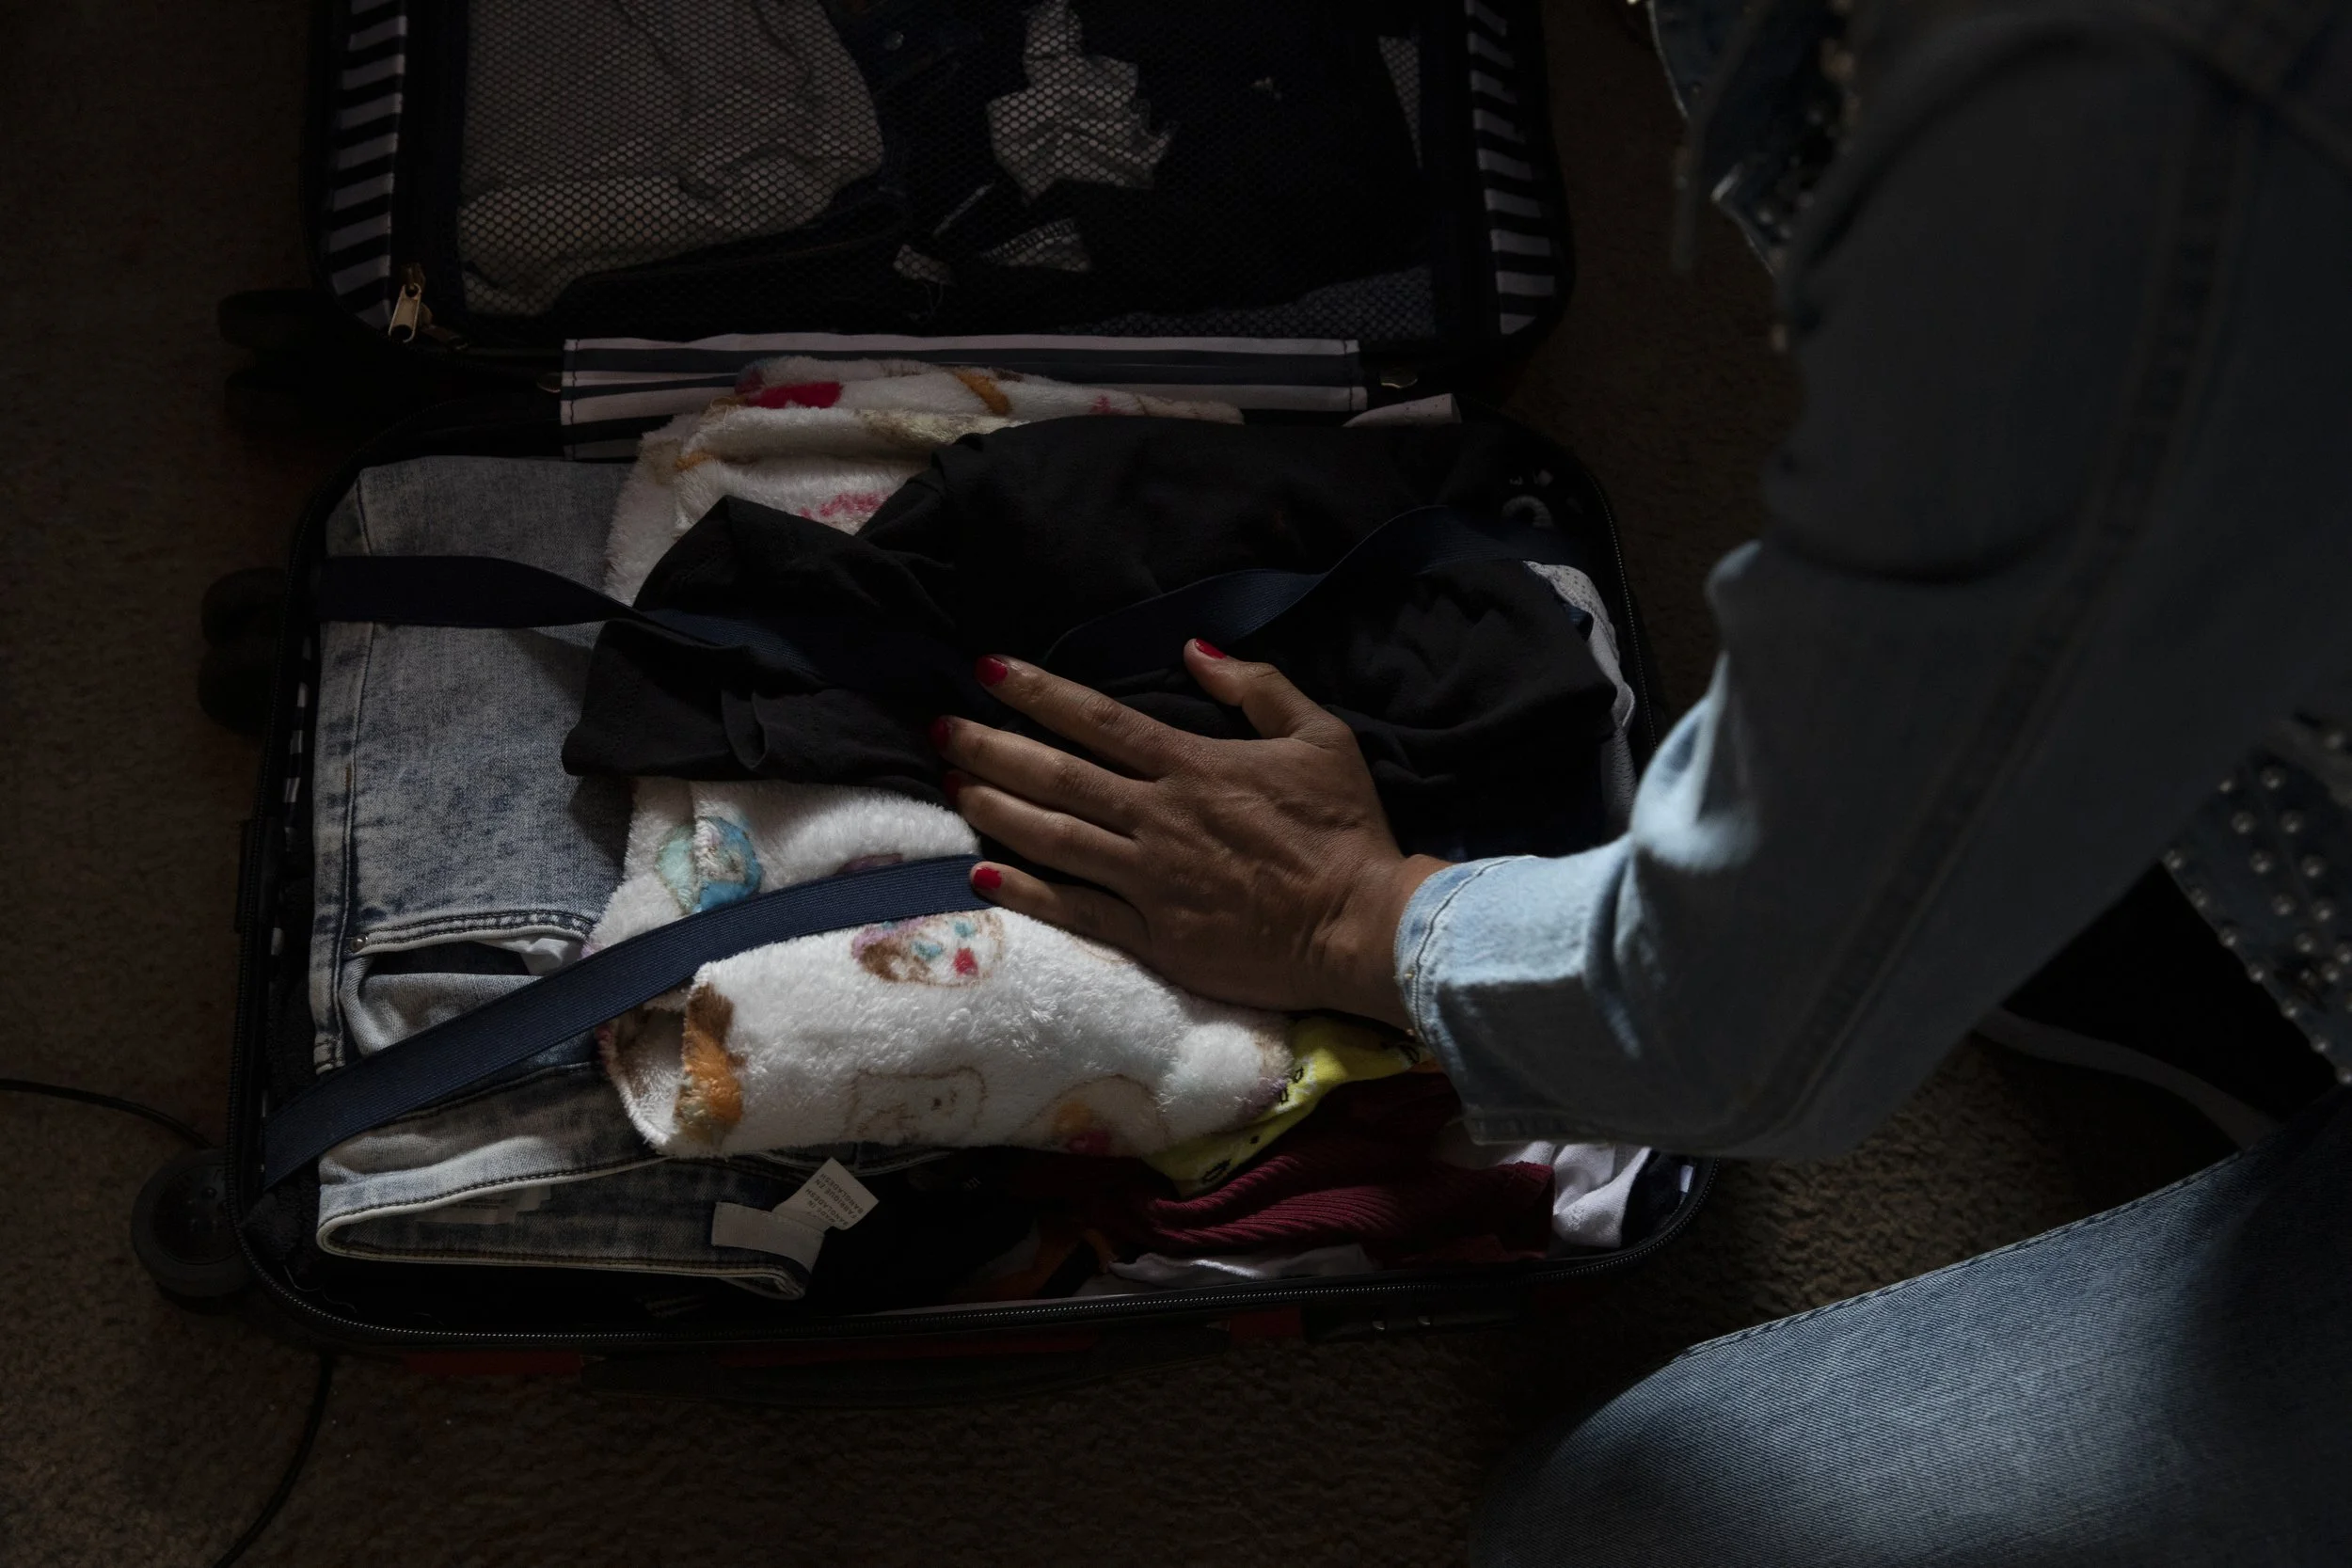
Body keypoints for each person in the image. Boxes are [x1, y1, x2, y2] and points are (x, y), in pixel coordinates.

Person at [926, 0, 2352, 1557]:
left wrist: (1356, 914)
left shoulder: (2116, 158)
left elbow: (1725, 1036)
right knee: (2017, 816)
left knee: (1617, 1532)